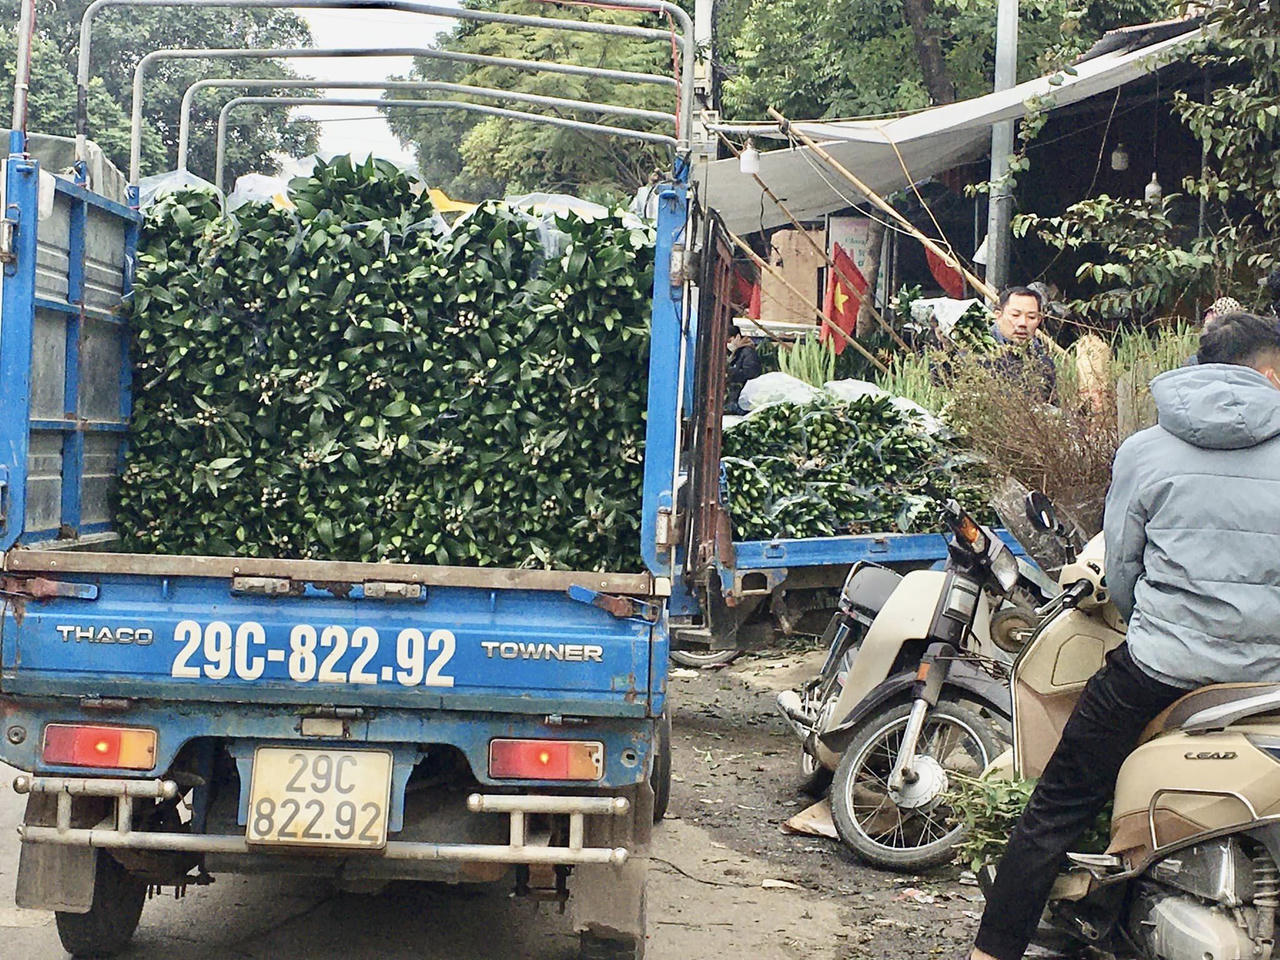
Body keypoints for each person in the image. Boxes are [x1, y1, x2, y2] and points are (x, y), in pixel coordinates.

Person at [971, 311, 1280, 960]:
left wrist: (1155, 626)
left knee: (1055, 807)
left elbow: (1124, 570)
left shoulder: (1144, 451)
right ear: (1269, 370)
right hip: (1269, 680)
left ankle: (992, 951)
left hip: (1162, 670)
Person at [987, 285, 1056, 401]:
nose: (1023, 323)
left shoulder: (1043, 362)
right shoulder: (978, 353)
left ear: (1039, 320)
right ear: (998, 316)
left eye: (1031, 317)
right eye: (1015, 315)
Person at [725, 333, 762, 414]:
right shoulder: (737, 352)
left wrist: (730, 373)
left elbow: (751, 373)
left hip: (744, 396)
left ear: (737, 337)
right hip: (737, 397)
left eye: (730, 341)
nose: (728, 344)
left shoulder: (748, 352)